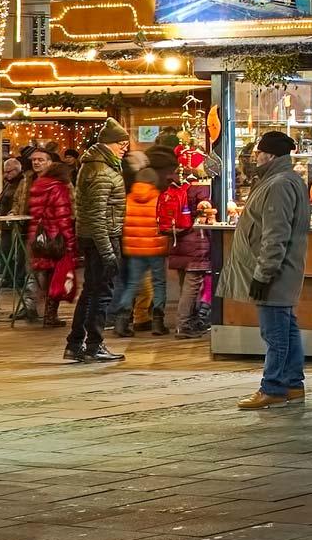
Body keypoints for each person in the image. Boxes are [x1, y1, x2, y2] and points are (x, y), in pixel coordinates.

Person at [229, 130, 312, 406]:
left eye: (259, 153)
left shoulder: (278, 184)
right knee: (286, 328)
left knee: (275, 332)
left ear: (269, 155)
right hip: (281, 268)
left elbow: (275, 234)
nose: (255, 157)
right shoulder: (284, 180)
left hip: (276, 271)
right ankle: (292, 385)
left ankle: (273, 388)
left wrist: (263, 274)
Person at [66, 120, 131, 364]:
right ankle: (94, 344)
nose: (125, 148)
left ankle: (75, 343)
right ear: (108, 143)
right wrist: (108, 252)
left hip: (95, 237)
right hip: (102, 238)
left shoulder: (98, 165)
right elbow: (97, 215)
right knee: (101, 293)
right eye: (121, 144)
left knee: (91, 291)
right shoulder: (101, 171)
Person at [114, 157, 171, 338]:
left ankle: (122, 321)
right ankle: (158, 322)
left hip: (134, 249)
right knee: (158, 283)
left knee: (132, 284)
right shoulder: (160, 199)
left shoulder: (128, 199)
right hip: (156, 248)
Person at [23, 146, 75, 328]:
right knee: (54, 276)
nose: (36, 163)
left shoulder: (38, 184)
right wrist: (70, 241)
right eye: (34, 160)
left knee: (41, 274)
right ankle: (48, 314)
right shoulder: (58, 186)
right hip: (54, 237)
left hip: (37, 236)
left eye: (40, 160)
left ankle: (38, 309)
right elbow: (64, 215)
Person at [162, 163, 214, 338]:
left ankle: (187, 322)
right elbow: (205, 212)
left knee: (184, 285)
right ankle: (184, 325)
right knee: (192, 286)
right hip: (196, 243)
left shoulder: (173, 187)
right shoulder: (200, 189)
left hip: (177, 241)